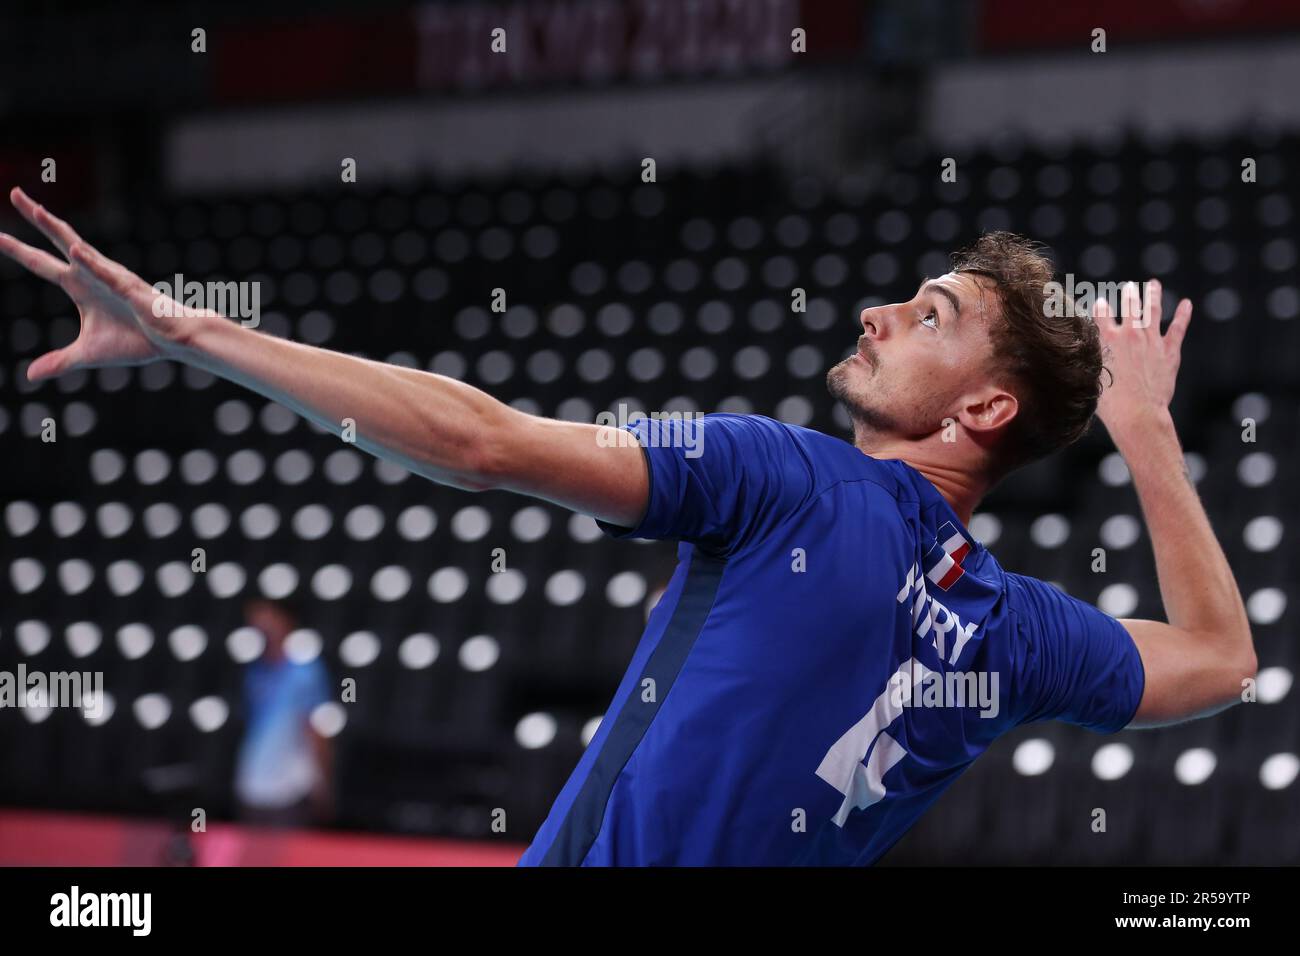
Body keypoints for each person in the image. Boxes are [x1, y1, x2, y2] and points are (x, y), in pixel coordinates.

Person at [0, 189, 1255, 864]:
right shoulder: (1012, 630)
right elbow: (1221, 659)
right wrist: (1144, 429)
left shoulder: (793, 478)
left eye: (928, 314)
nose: (877, 310)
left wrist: (191, 332)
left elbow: (480, 441)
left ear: (984, 405)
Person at [234, 597, 334, 827]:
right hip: (253, 785)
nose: (261, 625)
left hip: (291, 788)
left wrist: (323, 781)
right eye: (255, 619)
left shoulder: (306, 671)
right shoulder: (255, 670)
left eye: (268, 618)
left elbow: (315, 727)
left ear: (286, 621)